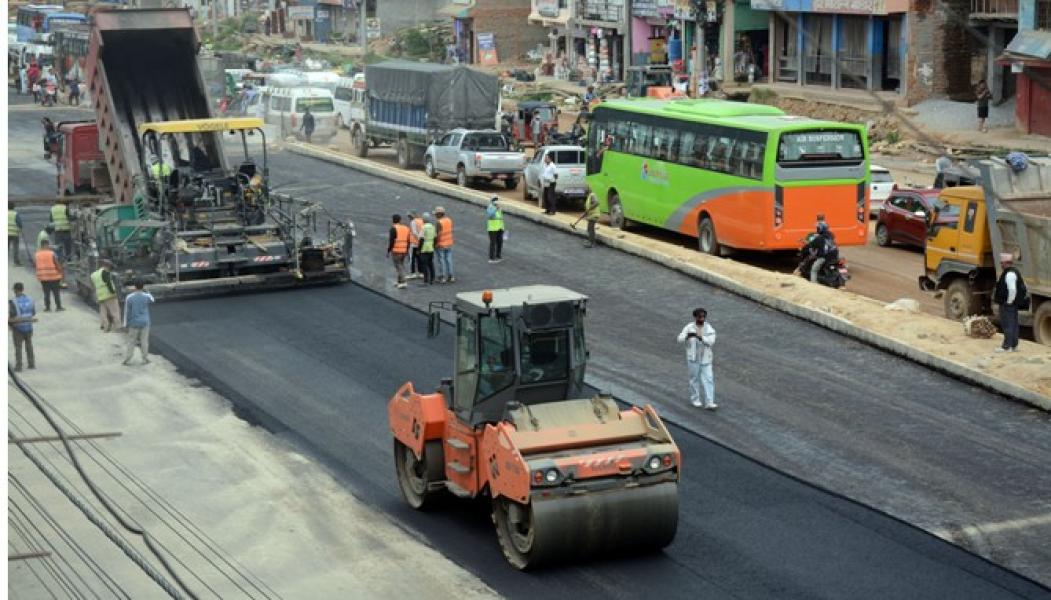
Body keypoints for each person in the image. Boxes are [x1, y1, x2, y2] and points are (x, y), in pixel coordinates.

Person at [677, 308, 717, 409]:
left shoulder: (709, 328)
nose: (702, 318)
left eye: (704, 316)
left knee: (709, 379)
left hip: (706, 359)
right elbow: (679, 339)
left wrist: (700, 337)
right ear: (695, 317)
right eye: (700, 317)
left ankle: (709, 402)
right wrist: (687, 336)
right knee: (694, 379)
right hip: (693, 358)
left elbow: (711, 341)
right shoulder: (689, 327)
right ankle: (695, 399)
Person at [994, 253, 1027, 353]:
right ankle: (1013, 346)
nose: (1001, 264)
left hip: (1008, 304)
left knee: (1007, 324)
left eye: (1001, 263)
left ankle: (1006, 347)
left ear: (1006, 263)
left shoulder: (1009, 274)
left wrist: (1009, 302)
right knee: (1013, 324)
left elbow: (1012, 290)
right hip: (1012, 304)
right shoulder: (1014, 272)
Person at [122, 280, 154, 365]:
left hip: (134, 323)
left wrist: (125, 324)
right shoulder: (146, 296)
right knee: (144, 341)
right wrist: (147, 291)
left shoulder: (129, 297)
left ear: (134, 287)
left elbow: (127, 312)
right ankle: (145, 358)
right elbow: (152, 299)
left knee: (131, 341)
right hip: (145, 322)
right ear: (143, 287)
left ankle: (128, 359)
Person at [9, 282, 36, 372]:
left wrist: (10, 325)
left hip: (18, 327)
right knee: (29, 345)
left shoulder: (13, 302)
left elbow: (12, 315)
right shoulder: (30, 299)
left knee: (18, 347)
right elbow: (33, 312)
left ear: (15, 290)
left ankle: (19, 366)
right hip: (28, 326)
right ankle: (31, 364)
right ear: (22, 289)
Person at [34, 240, 64, 312]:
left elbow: (35, 264)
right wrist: (60, 270)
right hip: (53, 276)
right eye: (48, 245)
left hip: (43, 277)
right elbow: (56, 263)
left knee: (46, 293)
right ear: (46, 245)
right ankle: (58, 307)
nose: (49, 246)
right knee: (56, 292)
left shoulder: (37, 254)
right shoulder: (51, 253)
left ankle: (47, 308)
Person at [92, 260, 121, 332]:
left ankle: (105, 326)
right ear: (107, 266)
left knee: (103, 312)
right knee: (115, 311)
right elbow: (108, 283)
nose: (110, 270)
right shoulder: (105, 272)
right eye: (110, 268)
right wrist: (113, 292)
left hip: (100, 296)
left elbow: (95, 285)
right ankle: (118, 327)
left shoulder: (93, 274)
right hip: (109, 295)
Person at [387, 214, 410, 289]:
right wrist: (407, 250)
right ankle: (399, 281)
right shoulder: (406, 228)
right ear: (400, 220)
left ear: (393, 220)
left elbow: (391, 241)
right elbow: (408, 240)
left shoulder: (393, 228)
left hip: (396, 250)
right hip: (404, 250)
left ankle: (403, 282)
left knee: (398, 266)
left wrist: (388, 251)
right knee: (401, 265)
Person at [434, 206, 455, 283]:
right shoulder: (449, 220)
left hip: (441, 244)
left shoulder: (439, 222)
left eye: (436, 214)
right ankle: (451, 276)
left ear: (439, 214)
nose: (435, 215)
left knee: (441, 260)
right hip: (449, 243)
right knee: (448, 260)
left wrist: (435, 243)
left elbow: (438, 234)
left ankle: (442, 277)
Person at [418, 212, 437, 285]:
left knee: (424, 265)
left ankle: (425, 280)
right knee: (431, 264)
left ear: (424, 219)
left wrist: (419, 249)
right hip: (431, 248)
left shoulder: (424, 227)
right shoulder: (432, 227)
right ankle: (432, 279)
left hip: (424, 248)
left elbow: (421, 239)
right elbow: (435, 238)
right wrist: (433, 246)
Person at [486, 196, 505, 263]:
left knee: (500, 242)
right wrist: (495, 209)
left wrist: (503, 228)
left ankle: (498, 256)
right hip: (492, 229)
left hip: (500, 228)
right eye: (494, 199)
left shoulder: (499, 207)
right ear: (491, 200)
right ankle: (491, 258)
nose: (496, 201)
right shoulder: (490, 207)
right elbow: (490, 215)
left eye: (496, 199)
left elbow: (501, 218)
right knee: (493, 243)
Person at [407, 210, 423, 279]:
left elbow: (414, 232)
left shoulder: (413, 222)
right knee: (419, 258)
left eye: (409, 216)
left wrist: (418, 238)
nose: (409, 218)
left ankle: (412, 273)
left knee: (412, 259)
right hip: (420, 244)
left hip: (414, 243)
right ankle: (420, 272)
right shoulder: (421, 220)